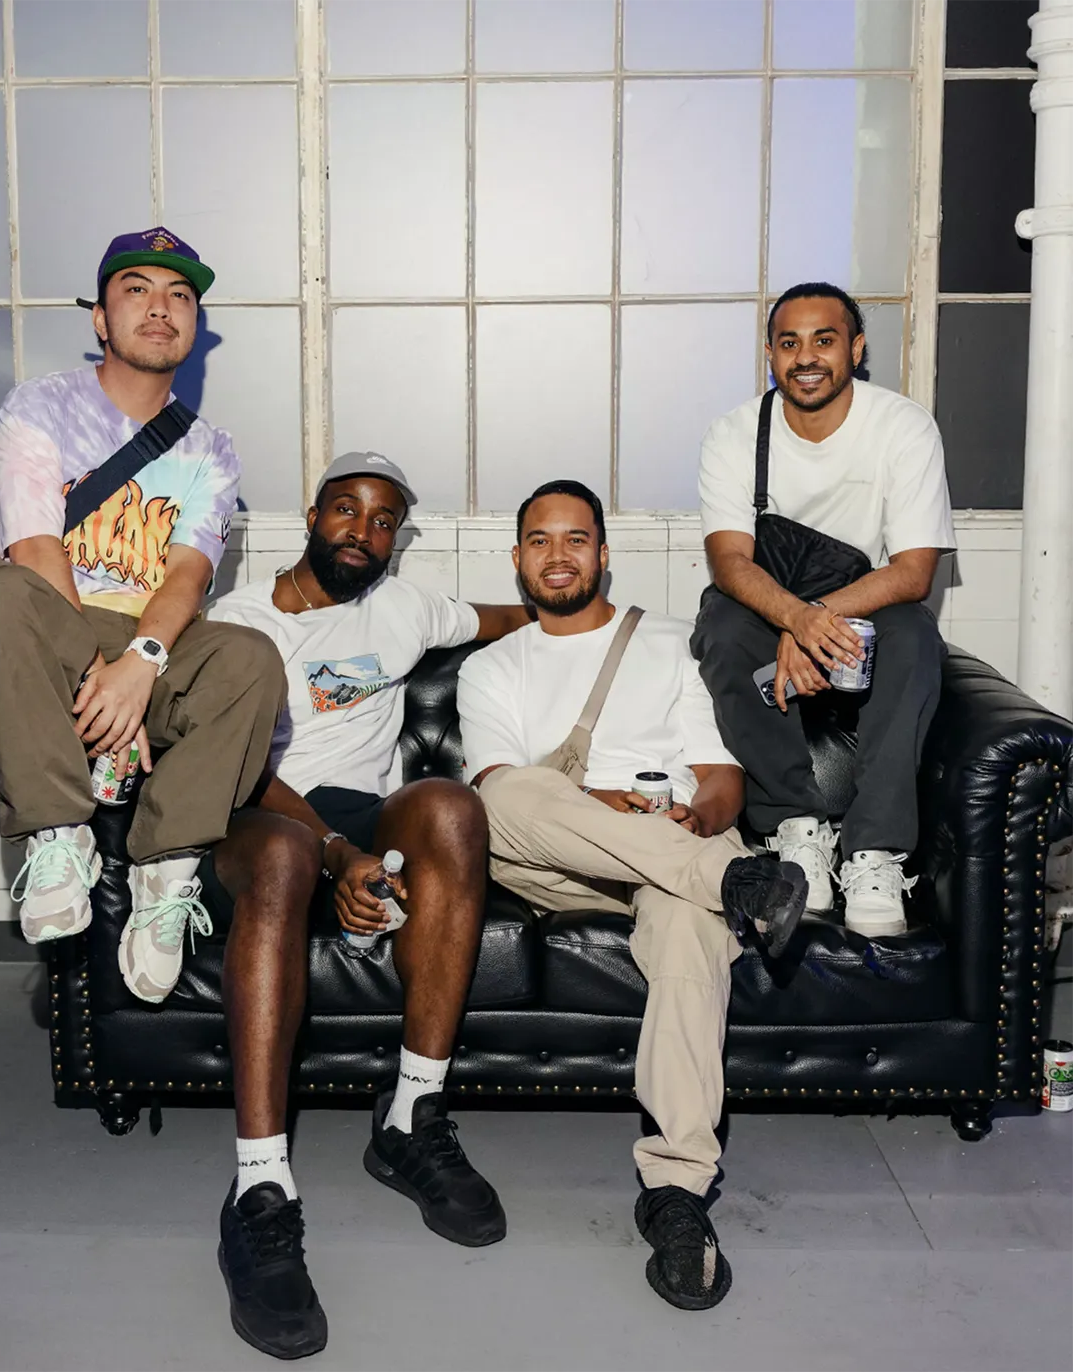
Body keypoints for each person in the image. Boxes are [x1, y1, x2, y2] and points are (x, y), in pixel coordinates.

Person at [203, 451, 532, 1359]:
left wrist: (594, 615)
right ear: (312, 515)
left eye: (385, 519)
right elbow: (239, 769)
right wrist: (337, 855)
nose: (364, 530)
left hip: (360, 812)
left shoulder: (408, 606)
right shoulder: (240, 624)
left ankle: (410, 1118)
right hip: (260, 811)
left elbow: (518, 616)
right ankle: (261, 1189)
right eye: (347, 511)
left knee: (456, 808)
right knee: (279, 858)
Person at [456, 479, 809, 1314]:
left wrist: (696, 817)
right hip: (557, 859)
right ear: (516, 558)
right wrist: (608, 810)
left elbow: (722, 781)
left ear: (604, 553)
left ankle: (678, 1196)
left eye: (576, 538)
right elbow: (503, 791)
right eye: (539, 540)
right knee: (503, 799)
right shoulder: (491, 667)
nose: (558, 555)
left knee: (689, 925)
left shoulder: (674, 645)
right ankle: (737, 882)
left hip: (677, 849)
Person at [0, 227, 282, 1004]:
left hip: (144, 646)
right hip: (45, 627)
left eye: (180, 296)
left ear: (194, 325)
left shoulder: (209, 449)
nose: (161, 308)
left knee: (250, 656)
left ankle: (166, 877)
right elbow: (34, 548)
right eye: (138, 290)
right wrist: (102, 683)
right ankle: (58, 837)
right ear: (101, 317)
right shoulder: (39, 407)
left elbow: (188, 574)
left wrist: (142, 665)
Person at [691, 282, 955, 938]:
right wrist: (794, 620)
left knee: (914, 639)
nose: (806, 357)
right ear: (771, 356)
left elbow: (914, 572)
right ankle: (795, 830)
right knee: (723, 626)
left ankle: (872, 853)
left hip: (869, 601)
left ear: (856, 349)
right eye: (789, 343)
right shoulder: (733, 434)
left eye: (824, 340)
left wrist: (814, 620)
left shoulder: (902, 427)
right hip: (770, 602)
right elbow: (730, 563)